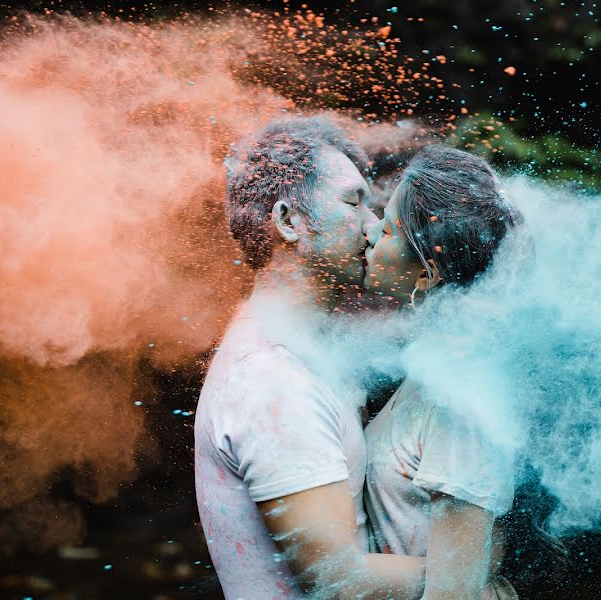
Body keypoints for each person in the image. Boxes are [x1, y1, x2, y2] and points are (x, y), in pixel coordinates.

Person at [194, 117, 427, 599]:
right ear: (287, 222)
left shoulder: (295, 354)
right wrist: (484, 575)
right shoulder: (272, 381)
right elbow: (341, 581)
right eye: (353, 202)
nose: (375, 223)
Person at [362, 145, 523, 599]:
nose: (372, 231)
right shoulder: (435, 365)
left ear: (428, 275)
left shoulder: (460, 399)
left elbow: (453, 595)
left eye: (390, 228)